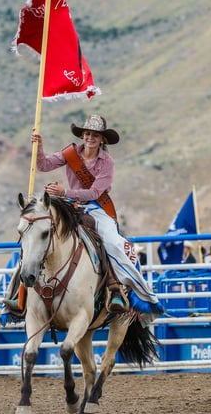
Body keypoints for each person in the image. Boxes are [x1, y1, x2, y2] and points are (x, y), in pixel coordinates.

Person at [23, 114, 162, 315]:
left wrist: (64, 192)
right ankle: (17, 295)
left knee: (113, 243)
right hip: (70, 205)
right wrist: (39, 146)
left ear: (102, 139)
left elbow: (95, 193)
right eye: (87, 133)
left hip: (97, 208)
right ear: (82, 135)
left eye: (95, 135)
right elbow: (44, 165)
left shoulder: (107, 162)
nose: (90, 138)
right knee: (35, 229)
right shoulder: (70, 153)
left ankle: (123, 289)